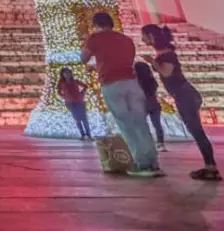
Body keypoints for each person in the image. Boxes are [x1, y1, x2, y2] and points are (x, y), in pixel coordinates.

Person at [81, 12, 161, 177]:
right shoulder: (126, 39)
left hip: (111, 84)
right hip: (131, 82)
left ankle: (141, 163)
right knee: (140, 122)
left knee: (126, 124)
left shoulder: (95, 38)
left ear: (96, 24)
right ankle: (152, 161)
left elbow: (84, 58)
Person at [141, 24, 220, 180]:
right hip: (183, 95)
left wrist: (152, 62)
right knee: (196, 132)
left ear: (151, 36)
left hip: (185, 95)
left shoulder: (167, 55)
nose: (142, 39)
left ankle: (211, 168)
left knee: (197, 132)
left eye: (144, 36)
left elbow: (166, 72)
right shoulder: (163, 53)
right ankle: (210, 166)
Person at [134, 61, 166, 151]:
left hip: (142, 105)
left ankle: (146, 143)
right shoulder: (152, 81)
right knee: (157, 125)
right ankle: (161, 143)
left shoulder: (137, 82)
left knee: (141, 125)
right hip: (154, 104)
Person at [57, 68, 92, 140]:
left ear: (71, 73)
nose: (67, 74)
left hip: (80, 102)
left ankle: (89, 135)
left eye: (68, 72)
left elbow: (85, 86)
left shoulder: (75, 81)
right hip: (70, 103)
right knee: (77, 119)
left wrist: (82, 93)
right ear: (62, 74)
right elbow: (59, 92)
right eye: (65, 73)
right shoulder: (61, 83)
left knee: (84, 119)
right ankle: (82, 135)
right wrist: (65, 97)